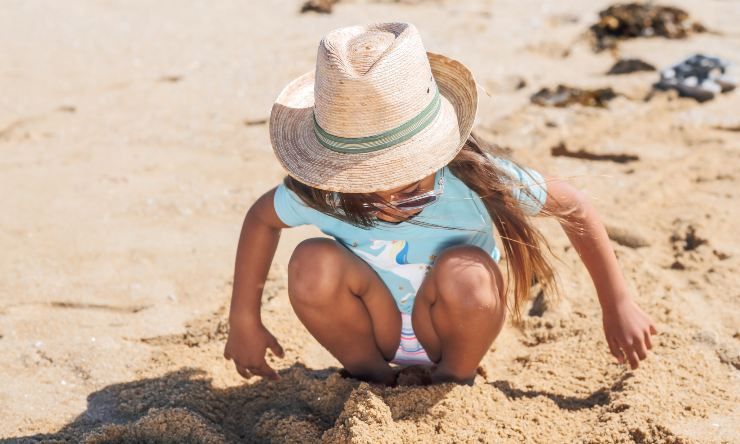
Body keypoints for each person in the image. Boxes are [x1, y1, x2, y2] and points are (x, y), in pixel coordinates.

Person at [223, 22, 656, 385]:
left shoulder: (476, 182)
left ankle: (455, 377)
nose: (390, 196)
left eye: (407, 180)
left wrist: (617, 303)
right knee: (311, 259)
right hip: (373, 327)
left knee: (465, 269)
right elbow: (262, 219)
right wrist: (244, 317)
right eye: (369, 185)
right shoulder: (329, 193)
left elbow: (574, 205)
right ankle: (373, 377)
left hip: (454, 325)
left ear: (435, 152)